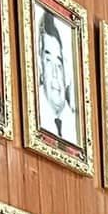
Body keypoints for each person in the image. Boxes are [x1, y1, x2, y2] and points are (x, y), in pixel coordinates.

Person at [36, 13, 79, 144]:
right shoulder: (36, 115)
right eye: (48, 61)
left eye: (59, 64)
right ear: (41, 68)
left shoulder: (75, 124)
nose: (55, 73)